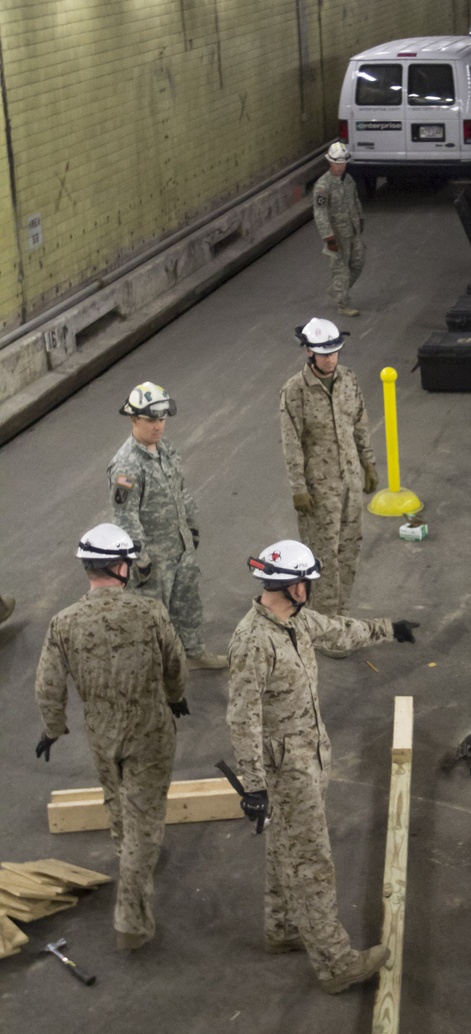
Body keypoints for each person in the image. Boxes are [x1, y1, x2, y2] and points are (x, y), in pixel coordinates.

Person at [226, 539, 419, 992]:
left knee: (284, 847)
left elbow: (339, 632)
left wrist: (389, 628)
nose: (311, 589)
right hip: (285, 769)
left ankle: (283, 927)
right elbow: (241, 717)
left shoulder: (294, 620)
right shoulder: (254, 641)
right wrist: (253, 786)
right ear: (290, 585)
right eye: (307, 582)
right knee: (311, 860)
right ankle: (335, 963)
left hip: (308, 755)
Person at [34, 524, 187, 950]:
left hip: (102, 734)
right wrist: (176, 698)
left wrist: (53, 729)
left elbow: (48, 684)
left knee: (117, 800)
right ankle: (131, 919)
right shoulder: (149, 611)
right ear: (122, 566)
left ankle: (129, 854)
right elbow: (175, 663)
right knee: (145, 819)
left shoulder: (63, 622)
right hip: (150, 732)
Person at [108, 382, 227, 669]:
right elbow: (125, 517)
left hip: (180, 546)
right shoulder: (126, 466)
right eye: (151, 420)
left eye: (161, 419)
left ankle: (193, 652)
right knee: (151, 617)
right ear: (134, 419)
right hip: (154, 558)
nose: (158, 426)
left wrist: (191, 524)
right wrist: (141, 559)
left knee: (187, 604)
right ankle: (154, 670)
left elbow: (180, 488)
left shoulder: (165, 449)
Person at [279, 319, 378, 621]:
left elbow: (359, 422)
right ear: (308, 352)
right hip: (319, 490)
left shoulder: (348, 379)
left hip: (350, 482)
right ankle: (323, 621)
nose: (330, 358)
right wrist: (298, 487)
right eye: (323, 353)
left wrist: (368, 462)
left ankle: (341, 613)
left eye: (335, 352)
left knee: (349, 551)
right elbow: (291, 442)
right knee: (322, 557)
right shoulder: (295, 391)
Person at [313, 141, 365, 318]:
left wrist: (360, 218)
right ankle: (343, 304)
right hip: (336, 236)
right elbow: (320, 213)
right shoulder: (323, 186)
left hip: (353, 231)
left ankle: (337, 289)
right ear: (330, 162)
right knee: (341, 270)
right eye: (337, 163)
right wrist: (328, 237)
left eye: (343, 163)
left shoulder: (348, 180)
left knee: (358, 263)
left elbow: (355, 200)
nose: (340, 166)